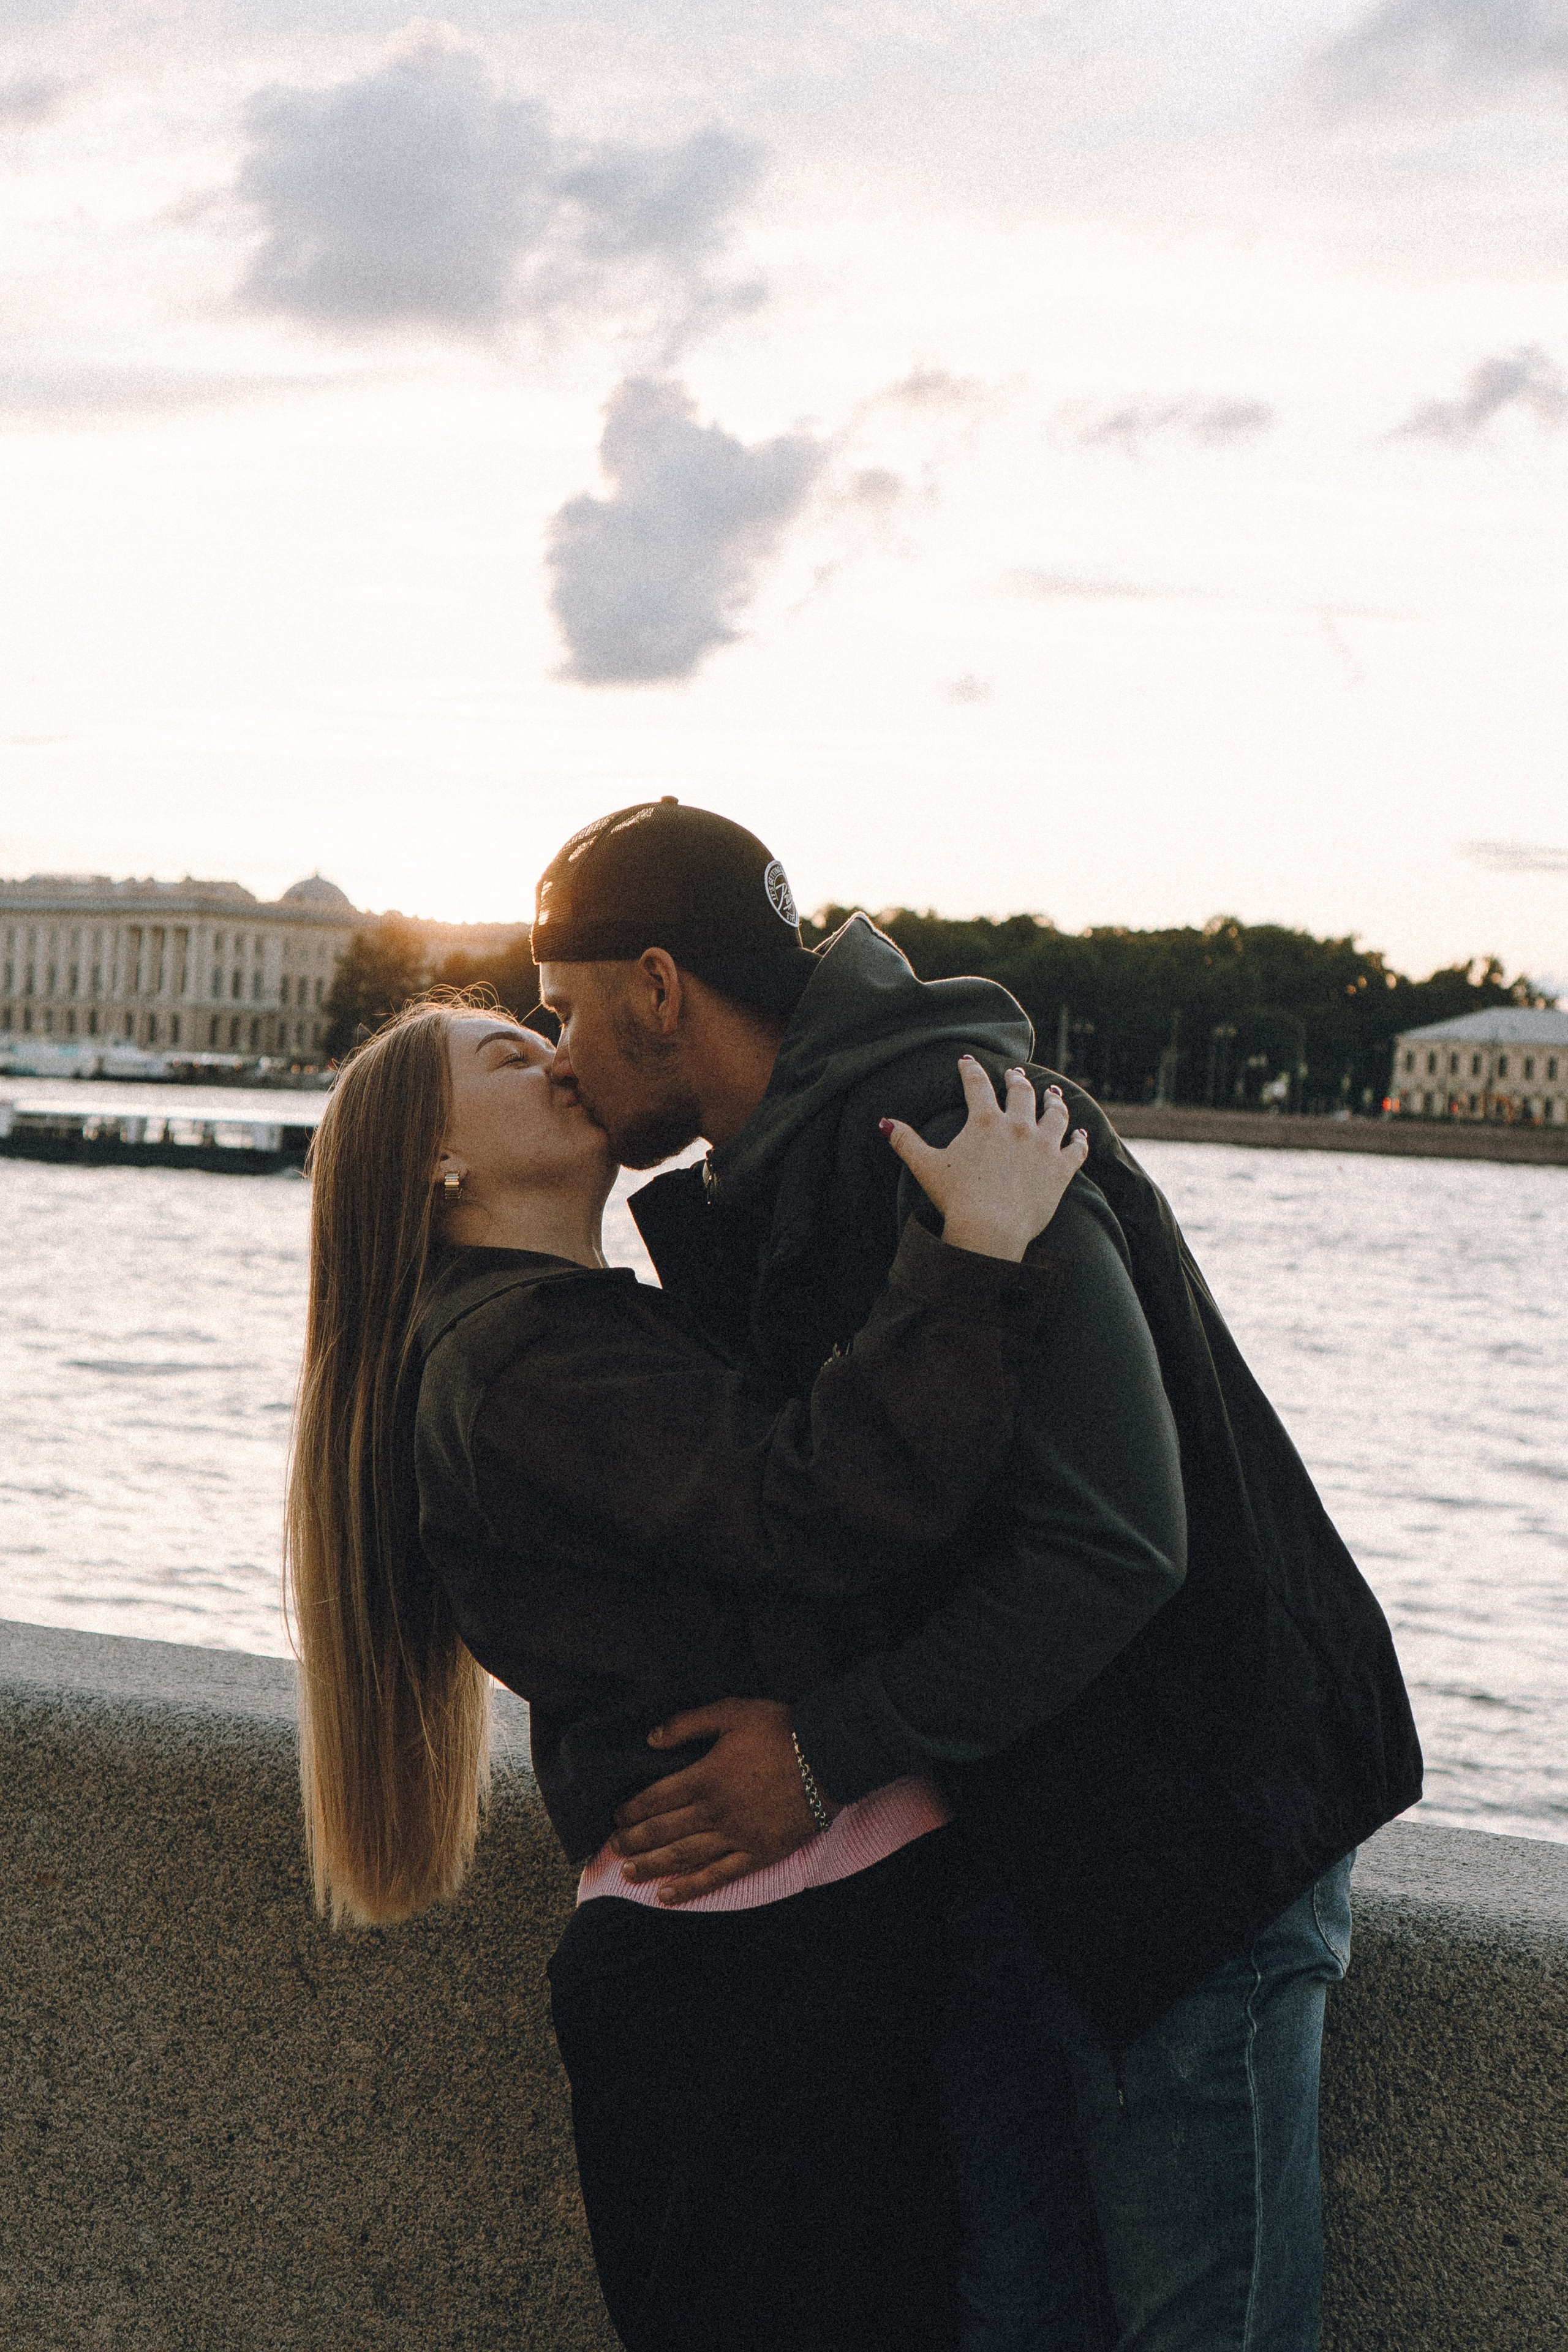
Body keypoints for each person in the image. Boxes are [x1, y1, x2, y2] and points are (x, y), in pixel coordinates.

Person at [533, 799, 1425, 2352]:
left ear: (658, 987)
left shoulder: (953, 1130)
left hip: (1184, 1838)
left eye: (560, 1011)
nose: (553, 1056)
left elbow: (1113, 1543)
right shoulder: (806, 1163)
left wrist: (821, 1756)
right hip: (1033, 1835)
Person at [285, 993, 1090, 2352]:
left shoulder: (535, 1332)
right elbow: (823, 1502)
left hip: (753, 1965)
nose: (555, 1053)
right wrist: (983, 1242)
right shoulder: (523, 1358)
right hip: (756, 1980)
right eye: (507, 1054)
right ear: (440, 1166)